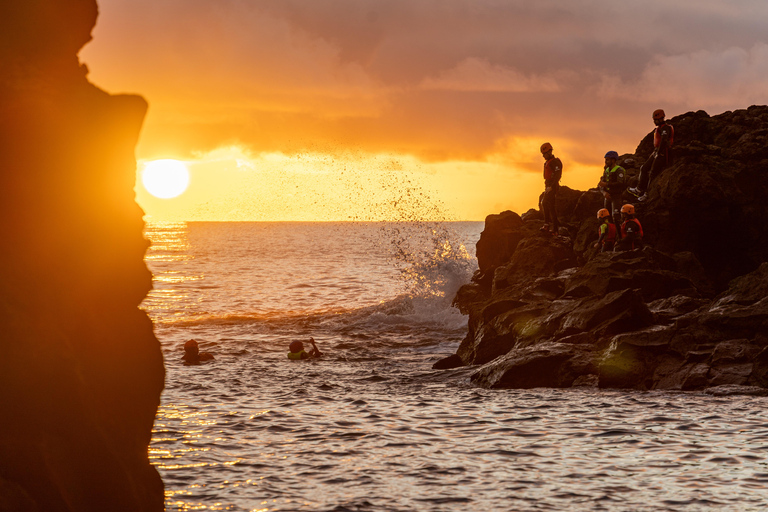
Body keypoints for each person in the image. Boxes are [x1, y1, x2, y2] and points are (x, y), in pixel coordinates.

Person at [628, 109, 674, 202]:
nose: (654, 122)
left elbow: (664, 140)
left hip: (662, 153)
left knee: (653, 174)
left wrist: (659, 153)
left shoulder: (666, 128)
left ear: (660, 118)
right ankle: (639, 189)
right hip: (656, 151)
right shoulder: (660, 128)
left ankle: (647, 194)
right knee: (644, 168)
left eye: (655, 120)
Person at [539, 142, 563, 234]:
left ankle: (547, 225)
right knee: (551, 207)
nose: (543, 156)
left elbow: (557, 175)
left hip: (552, 186)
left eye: (544, 154)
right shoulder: (548, 162)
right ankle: (555, 229)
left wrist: (551, 187)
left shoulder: (555, 162)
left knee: (545, 203)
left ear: (549, 152)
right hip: (548, 185)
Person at [598, 150, 627, 225]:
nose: (605, 161)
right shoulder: (606, 170)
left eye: (607, 160)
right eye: (605, 159)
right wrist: (604, 193)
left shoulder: (619, 170)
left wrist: (606, 184)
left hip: (617, 196)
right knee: (607, 218)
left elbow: (620, 183)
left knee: (616, 217)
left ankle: (619, 232)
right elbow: (601, 184)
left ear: (613, 160)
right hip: (607, 197)